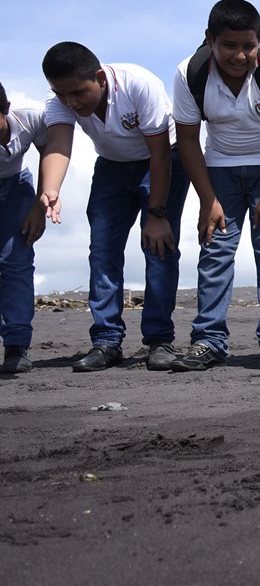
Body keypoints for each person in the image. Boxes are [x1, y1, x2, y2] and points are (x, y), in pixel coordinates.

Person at [171, 0, 260, 372]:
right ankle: (209, 340)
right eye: (229, 45)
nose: (240, 55)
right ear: (210, 40)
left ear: (259, 41)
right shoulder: (190, 72)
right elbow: (186, 140)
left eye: (248, 45)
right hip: (219, 168)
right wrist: (207, 199)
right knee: (215, 250)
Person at [39, 42, 189, 372]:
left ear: (99, 78)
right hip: (112, 167)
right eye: (62, 95)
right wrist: (51, 188)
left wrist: (157, 214)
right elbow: (59, 144)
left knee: (158, 247)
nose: (71, 103)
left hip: (162, 162)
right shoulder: (61, 100)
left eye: (78, 93)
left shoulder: (138, 83)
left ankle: (159, 341)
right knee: (103, 250)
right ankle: (106, 341)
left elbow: (161, 154)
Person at [0, 84, 49, 374]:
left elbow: (50, 153)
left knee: (16, 262)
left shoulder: (29, 119)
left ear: (5, 108)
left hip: (17, 187)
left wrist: (38, 207)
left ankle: (17, 344)